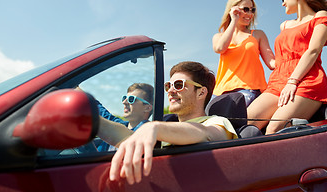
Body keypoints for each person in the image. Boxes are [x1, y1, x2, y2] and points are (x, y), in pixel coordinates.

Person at [99, 61, 237, 184]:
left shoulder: (216, 122)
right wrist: (93, 121)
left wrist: (155, 128)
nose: (170, 91)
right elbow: (128, 137)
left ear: (201, 93)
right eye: (168, 85)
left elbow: (206, 133)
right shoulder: (167, 124)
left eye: (178, 85)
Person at [247, 0, 327, 135]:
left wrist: (292, 81)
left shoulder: (320, 17)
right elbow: (280, 59)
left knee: (274, 128)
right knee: (248, 122)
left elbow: (312, 51)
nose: (282, 2)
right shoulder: (284, 25)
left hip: (306, 80)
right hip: (278, 80)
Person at [212, 0, 275, 106]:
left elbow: (272, 63)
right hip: (220, 91)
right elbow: (220, 48)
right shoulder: (219, 37)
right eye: (246, 9)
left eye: (252, 10)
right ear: (233, 10)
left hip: (249, 89)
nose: (250, 14)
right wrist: (234, 21)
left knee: (234, 114)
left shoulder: (258, 34)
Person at [97, 83, 154, 151]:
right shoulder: (119, 124)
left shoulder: (147, 132)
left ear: (147, 108)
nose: (124, 102)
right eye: (125, 98)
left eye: (131, 99)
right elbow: (94, 107)